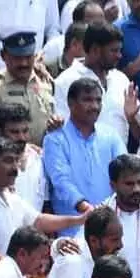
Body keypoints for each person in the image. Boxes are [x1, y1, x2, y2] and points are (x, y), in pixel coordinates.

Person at [0, 136, 85, 256]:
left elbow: (39, 221)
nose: (15, 168)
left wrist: (80, 219)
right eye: (8, 161)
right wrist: (1, 263)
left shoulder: (11, 197)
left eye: (16, 161)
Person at [45, 77, 128, 219]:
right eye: (88, 100)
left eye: (98, 100)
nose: (95, 106)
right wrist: (85, 208)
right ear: (71, 103)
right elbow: (61, 181)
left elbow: (126, 171)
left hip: (111, 222)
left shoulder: (111, 135)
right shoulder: (55, 139)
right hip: (73, 225)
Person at [53, 22, 135, 142]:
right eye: (113, 51)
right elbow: (61, 128)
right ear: (95, 50)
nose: (119, 56)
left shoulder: (121, 79)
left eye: (119, 50)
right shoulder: (66, 81)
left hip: (120, 157)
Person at [0, 31, 57, 147]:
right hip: (8, 158)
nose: (23, 63)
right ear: (3, 56)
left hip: (41, 158)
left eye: (28, 57)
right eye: (17, 58)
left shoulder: (46, 82)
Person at [0, 104, 49, 212]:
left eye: (25, 131)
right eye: (14, 132)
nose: (22, 138)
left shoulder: (39, 159)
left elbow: (46, 203)